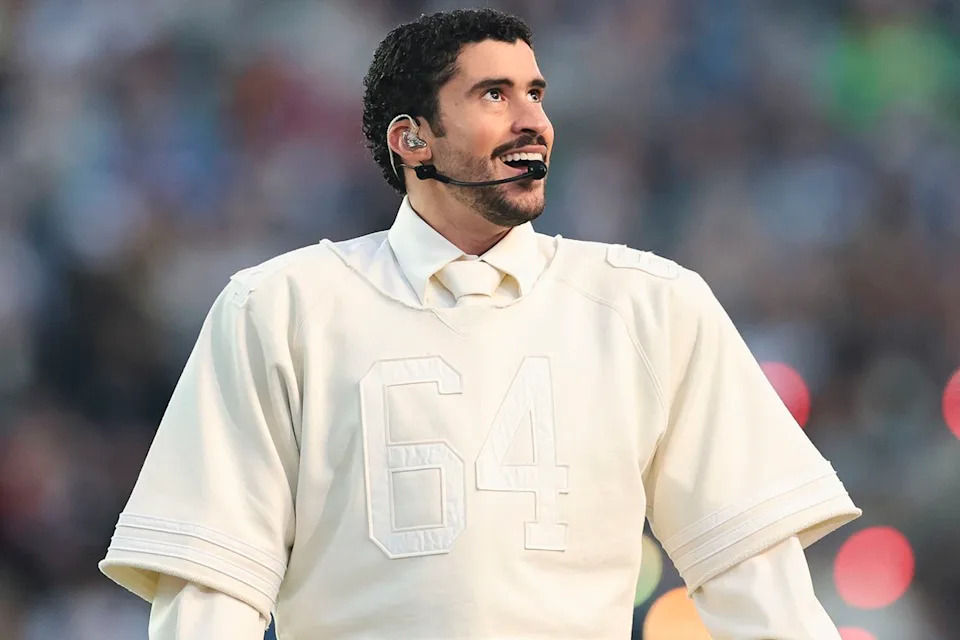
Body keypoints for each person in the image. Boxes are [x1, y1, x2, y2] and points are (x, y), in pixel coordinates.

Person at [100, 8, 861, 639]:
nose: (534, 121)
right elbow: (212, 594)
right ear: (411, 139)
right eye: (494, 95)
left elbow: (754, 580)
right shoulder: (281, 306)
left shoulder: (653, 304)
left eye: (537, 93)